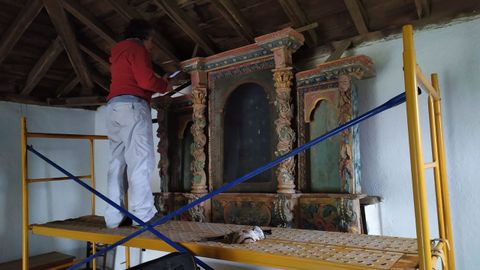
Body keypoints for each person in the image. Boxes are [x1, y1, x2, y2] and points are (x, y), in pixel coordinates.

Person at [104, 19, 169, 228]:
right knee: (140, 160)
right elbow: (146, 81)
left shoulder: (118, 51)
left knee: (117, 163)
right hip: (132, 108)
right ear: (145, 37)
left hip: (114, 108)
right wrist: (165, 84)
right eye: (152, 41)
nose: (151, 46)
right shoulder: (138, 49)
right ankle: (144, 214)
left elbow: (132, 82)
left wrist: (155, 86)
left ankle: (113, 217)